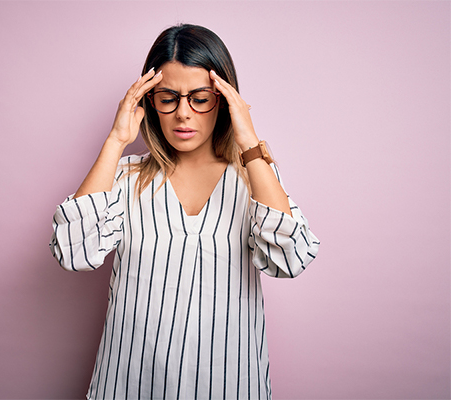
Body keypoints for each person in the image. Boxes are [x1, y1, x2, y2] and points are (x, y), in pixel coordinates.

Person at [51, 24, 320, 400]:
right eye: (168, 98)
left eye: (200, 98)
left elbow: (291, 258)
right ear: (149, 101)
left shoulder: (253, 179)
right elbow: (73, 251)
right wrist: (115, 140)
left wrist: (248, 143)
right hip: (130, 384)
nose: (183, 113)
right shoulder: (126, 178)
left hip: (229, 383)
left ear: (224, 101)